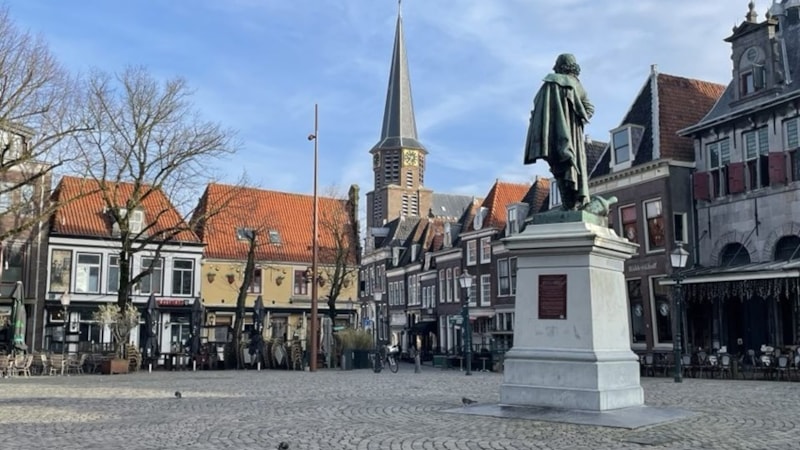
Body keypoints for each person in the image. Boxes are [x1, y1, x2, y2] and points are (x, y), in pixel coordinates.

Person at [524, 53, 594, 210]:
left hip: (552, 134)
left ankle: (568, 204)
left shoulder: (549, 83)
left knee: (558, 166)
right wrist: (577, 119)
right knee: (572, 165)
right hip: (573, 135)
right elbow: (590, 108)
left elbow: (537, 108)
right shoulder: (576, 85)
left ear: (559, 66)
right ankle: (571, 204)